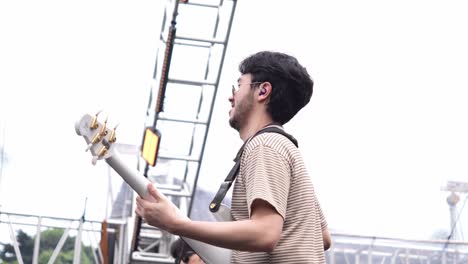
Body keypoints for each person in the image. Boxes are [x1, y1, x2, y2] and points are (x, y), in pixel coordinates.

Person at [136, 50, 331, 263]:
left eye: (238, 85)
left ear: (263, 91)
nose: (231, 96)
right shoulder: (285, 149)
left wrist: (175, 224)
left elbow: (266, 233)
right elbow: (322, 237)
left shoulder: (264, 145)